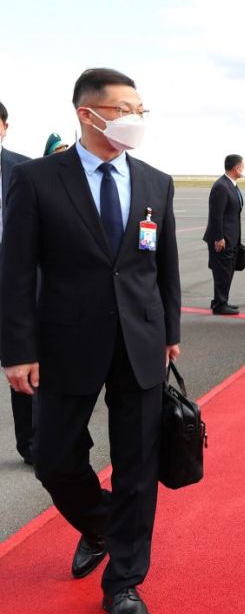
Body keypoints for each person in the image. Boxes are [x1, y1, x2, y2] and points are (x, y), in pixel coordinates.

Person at [1, 68, 181, 614]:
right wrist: (16, 351)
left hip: (141, 343)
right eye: (125, 108)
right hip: (64, 343)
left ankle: (124, 581)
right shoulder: (37, 179)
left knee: (138, 465)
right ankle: (102, 524)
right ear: (88, 113)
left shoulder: (156, 180)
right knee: (53, 460)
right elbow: (15, 271)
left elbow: (165, 265)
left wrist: (170, 332)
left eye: (140, 109)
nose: (136, 118)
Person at [0, 100, 34, 465]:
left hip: (15, 278)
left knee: (23, 360)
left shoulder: (24, 169)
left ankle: (31, 443)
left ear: (5, 127)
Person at [202, 154, 244, 315]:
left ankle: (220, 300)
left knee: (226, 271)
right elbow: (216, 215)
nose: (243, 170)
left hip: (230, 238)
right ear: (237, 168)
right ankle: (220, 305)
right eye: (242, 167)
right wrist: (219, 237)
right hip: (222, 239)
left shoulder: (231, 185)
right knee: (222, 272)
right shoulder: (221, 186)